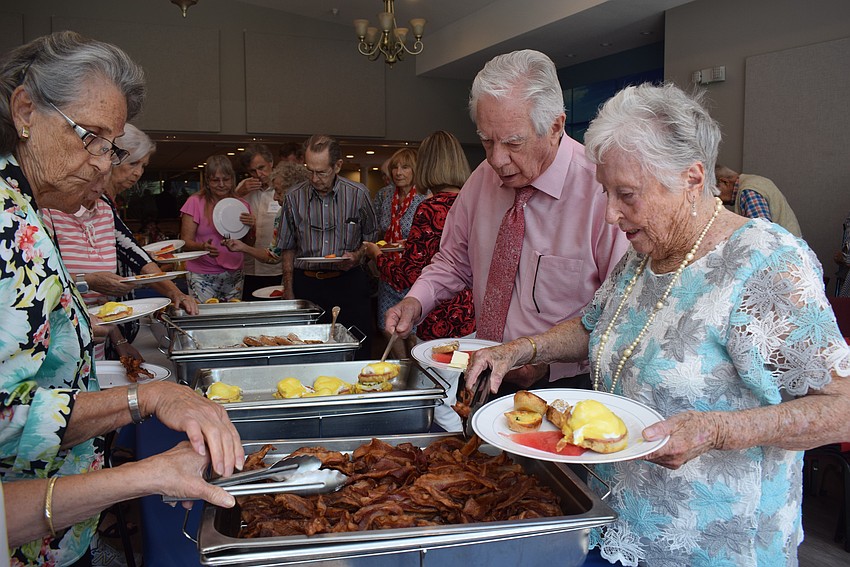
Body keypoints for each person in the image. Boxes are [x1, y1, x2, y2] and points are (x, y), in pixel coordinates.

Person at [465, 82, 850, 566]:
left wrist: (716, 431)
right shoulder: (646, 253)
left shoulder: (766, 264)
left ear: (692, 178)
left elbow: (842, 406)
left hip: (711, 545)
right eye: (606, 192)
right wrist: (520, 350)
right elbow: (592, 326)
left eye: (626, 194)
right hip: (619, 524)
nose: (609, 214)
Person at [0, 31, 243, 566]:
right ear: (24, 110)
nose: (105, 164)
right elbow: (7, 422)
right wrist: (144, 400)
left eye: (110, 146)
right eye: (91, 137)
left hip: (53, 527)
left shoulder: (27, 208)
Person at [385, 49, 628, 394]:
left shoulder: (601, 190)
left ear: (555, 126)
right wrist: (416, 300)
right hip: (485, 369)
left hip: (567, 386)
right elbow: (454, 261)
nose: (497, 159)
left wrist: (543, 360)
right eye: (486, 140)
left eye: (513, 142)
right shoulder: (482, 179)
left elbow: (619, 310)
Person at [363, 130, 476, 431]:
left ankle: (461, 456)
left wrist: (377, 255)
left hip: (440, 322)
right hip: (471, 319)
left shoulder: (431, 208)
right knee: (460, 393)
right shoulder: (475, 202)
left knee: (438, 400)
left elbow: (408, 277)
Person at [276, 135, 378, 359]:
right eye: (309, 170)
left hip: (349, 283)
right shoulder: (293, 197)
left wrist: (358, 255)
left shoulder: (358, 194)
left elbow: (371, 238)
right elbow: (287, 247)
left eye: (321, 172)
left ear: (337, 166)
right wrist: (289, 291)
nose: (314, 178)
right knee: (308, 350)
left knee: (357, 348)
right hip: (307, 284)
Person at [370, 148, 429, 359]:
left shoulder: (424, 197)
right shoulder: (384, 195)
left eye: (405, 167)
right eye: (395, 167)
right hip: (388, 271)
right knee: (387, 326)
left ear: (415, 170)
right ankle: (403, 365)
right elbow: (377, 227)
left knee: (413, 330)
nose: (398, 172)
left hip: (415, 272)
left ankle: (417, 368)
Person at [180, 155, 254, 303]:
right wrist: (202, 247)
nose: (221, 184)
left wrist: (253, 227)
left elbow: (249, 244)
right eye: (215, 180)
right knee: (204, 319)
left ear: (232, 179)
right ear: (207, 181)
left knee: (231, 320)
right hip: (201, 273)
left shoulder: (241, 205)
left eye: (226, 179)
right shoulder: (195, 202)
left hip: (234, 273)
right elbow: (184, 243)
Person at [234, 144, 283, 298]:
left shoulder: (281, 187)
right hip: (249, 265)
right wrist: (238, 193)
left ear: (271, 163)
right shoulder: (243, 187)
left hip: (276, 267)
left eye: (261, 168)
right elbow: (225, 213)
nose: (258, 174)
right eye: (252, 171)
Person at [715, 163, 802, 237]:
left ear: (725, 182)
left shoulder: (748, 191)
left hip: (782, 252)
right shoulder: (755, 181)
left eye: (713, 192)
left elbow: (760, 234)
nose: (715, 198)